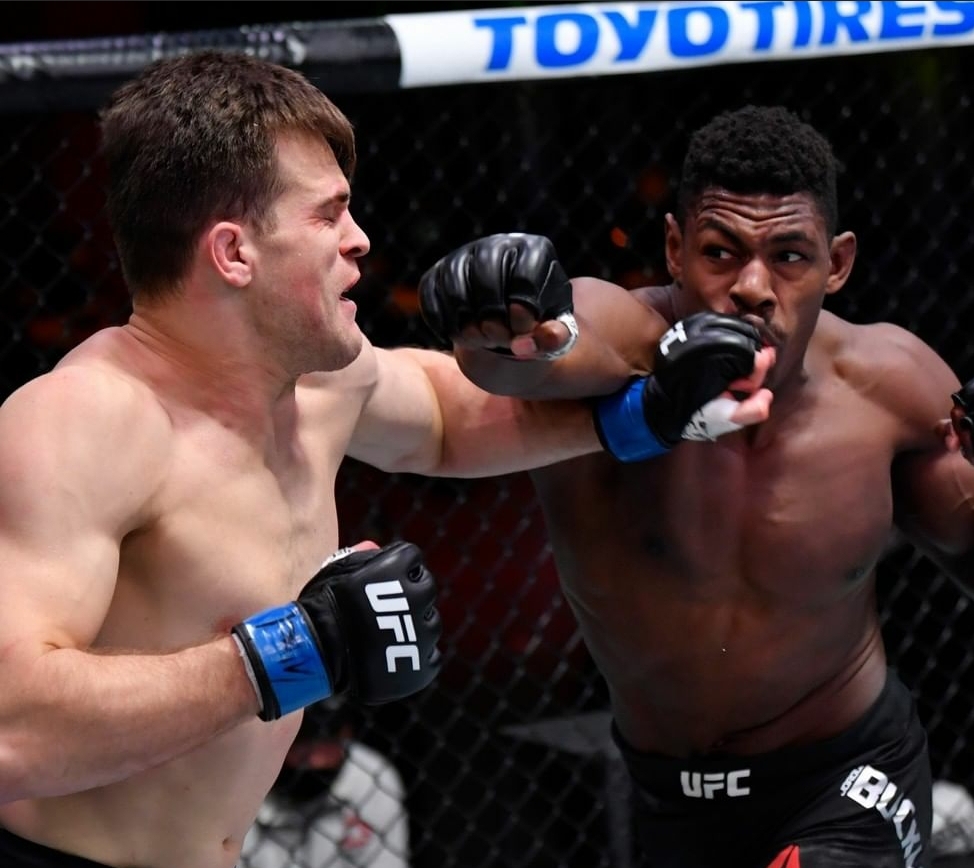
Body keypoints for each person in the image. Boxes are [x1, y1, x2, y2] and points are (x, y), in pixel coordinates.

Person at [0, 51, 771, 868]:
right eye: (328, 215)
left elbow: (441, 418)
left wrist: (640, 416)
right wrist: (292, 653)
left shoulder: (315, 383)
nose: (359, 239)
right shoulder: (87, 422)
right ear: (233, 253)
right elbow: (10, 730)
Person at [418, 105, 974, 868]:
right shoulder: (624, 346)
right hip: (665, 798)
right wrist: (500, 315)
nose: (753, 287)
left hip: (849, 776)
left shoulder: (886, 386)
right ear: (674, 249)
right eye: (720, 253)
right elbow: (540, 349)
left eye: (789, 256)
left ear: (837, 264)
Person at [242, 698, 409, 868]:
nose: (315, 759)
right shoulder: (240, 782)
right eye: (302, 741)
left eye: (327, 739)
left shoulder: (369, 778)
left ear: (346, 733)